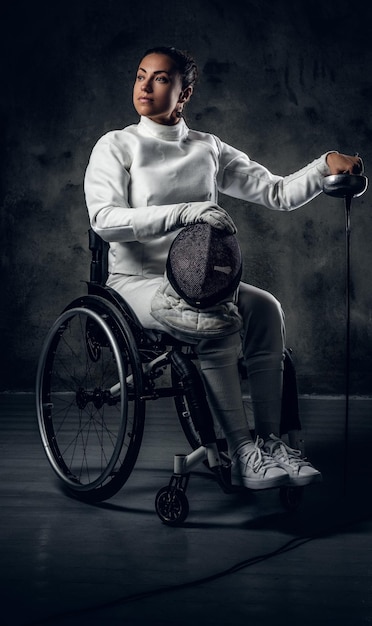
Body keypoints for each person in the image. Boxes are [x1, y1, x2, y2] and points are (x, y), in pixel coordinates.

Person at [84, 46, 363, 491]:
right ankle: (242, 451)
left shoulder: (206, 148)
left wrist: (323, 164)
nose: (145, 86)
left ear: (185, 92)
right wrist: (185, 212)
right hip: (136, 283)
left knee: (266, 308)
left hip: (203, 282)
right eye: (140, 76)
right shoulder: (117, 145)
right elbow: (105, 220)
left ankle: (270, 444)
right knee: (213, 317)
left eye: (160, 79)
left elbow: (275, 192)